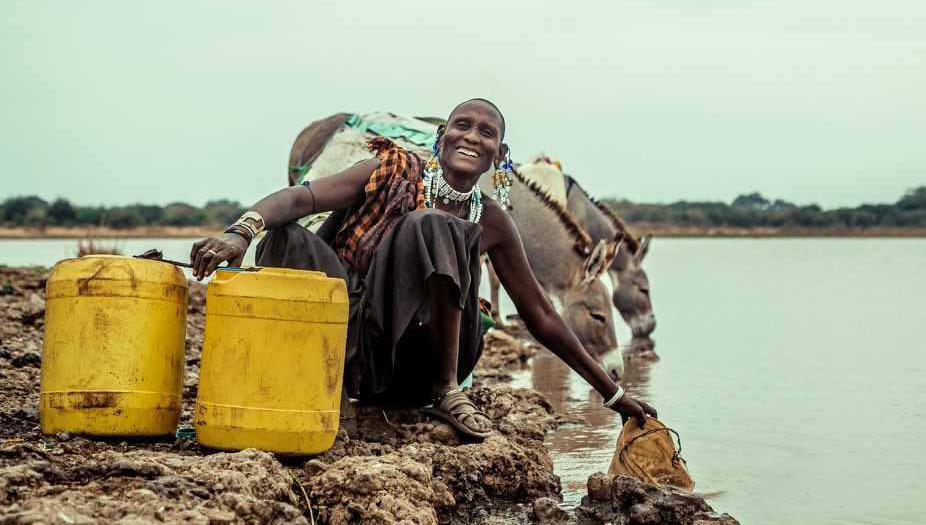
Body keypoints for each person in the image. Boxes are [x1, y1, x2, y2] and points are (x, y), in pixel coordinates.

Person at [190, 98, 656, 438]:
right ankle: (322, 381)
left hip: (420, 365)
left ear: (498, 153)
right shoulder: (390, 170)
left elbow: (543, 316)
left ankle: (448, 392)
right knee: (284, 236)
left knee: (430, 224)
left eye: (486, 132)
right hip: (363, 347)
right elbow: (299, 199)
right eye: (461, 125)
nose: (471, 136)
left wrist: (614, 395)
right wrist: (241, 231)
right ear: (441, 136)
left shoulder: (494, 221)